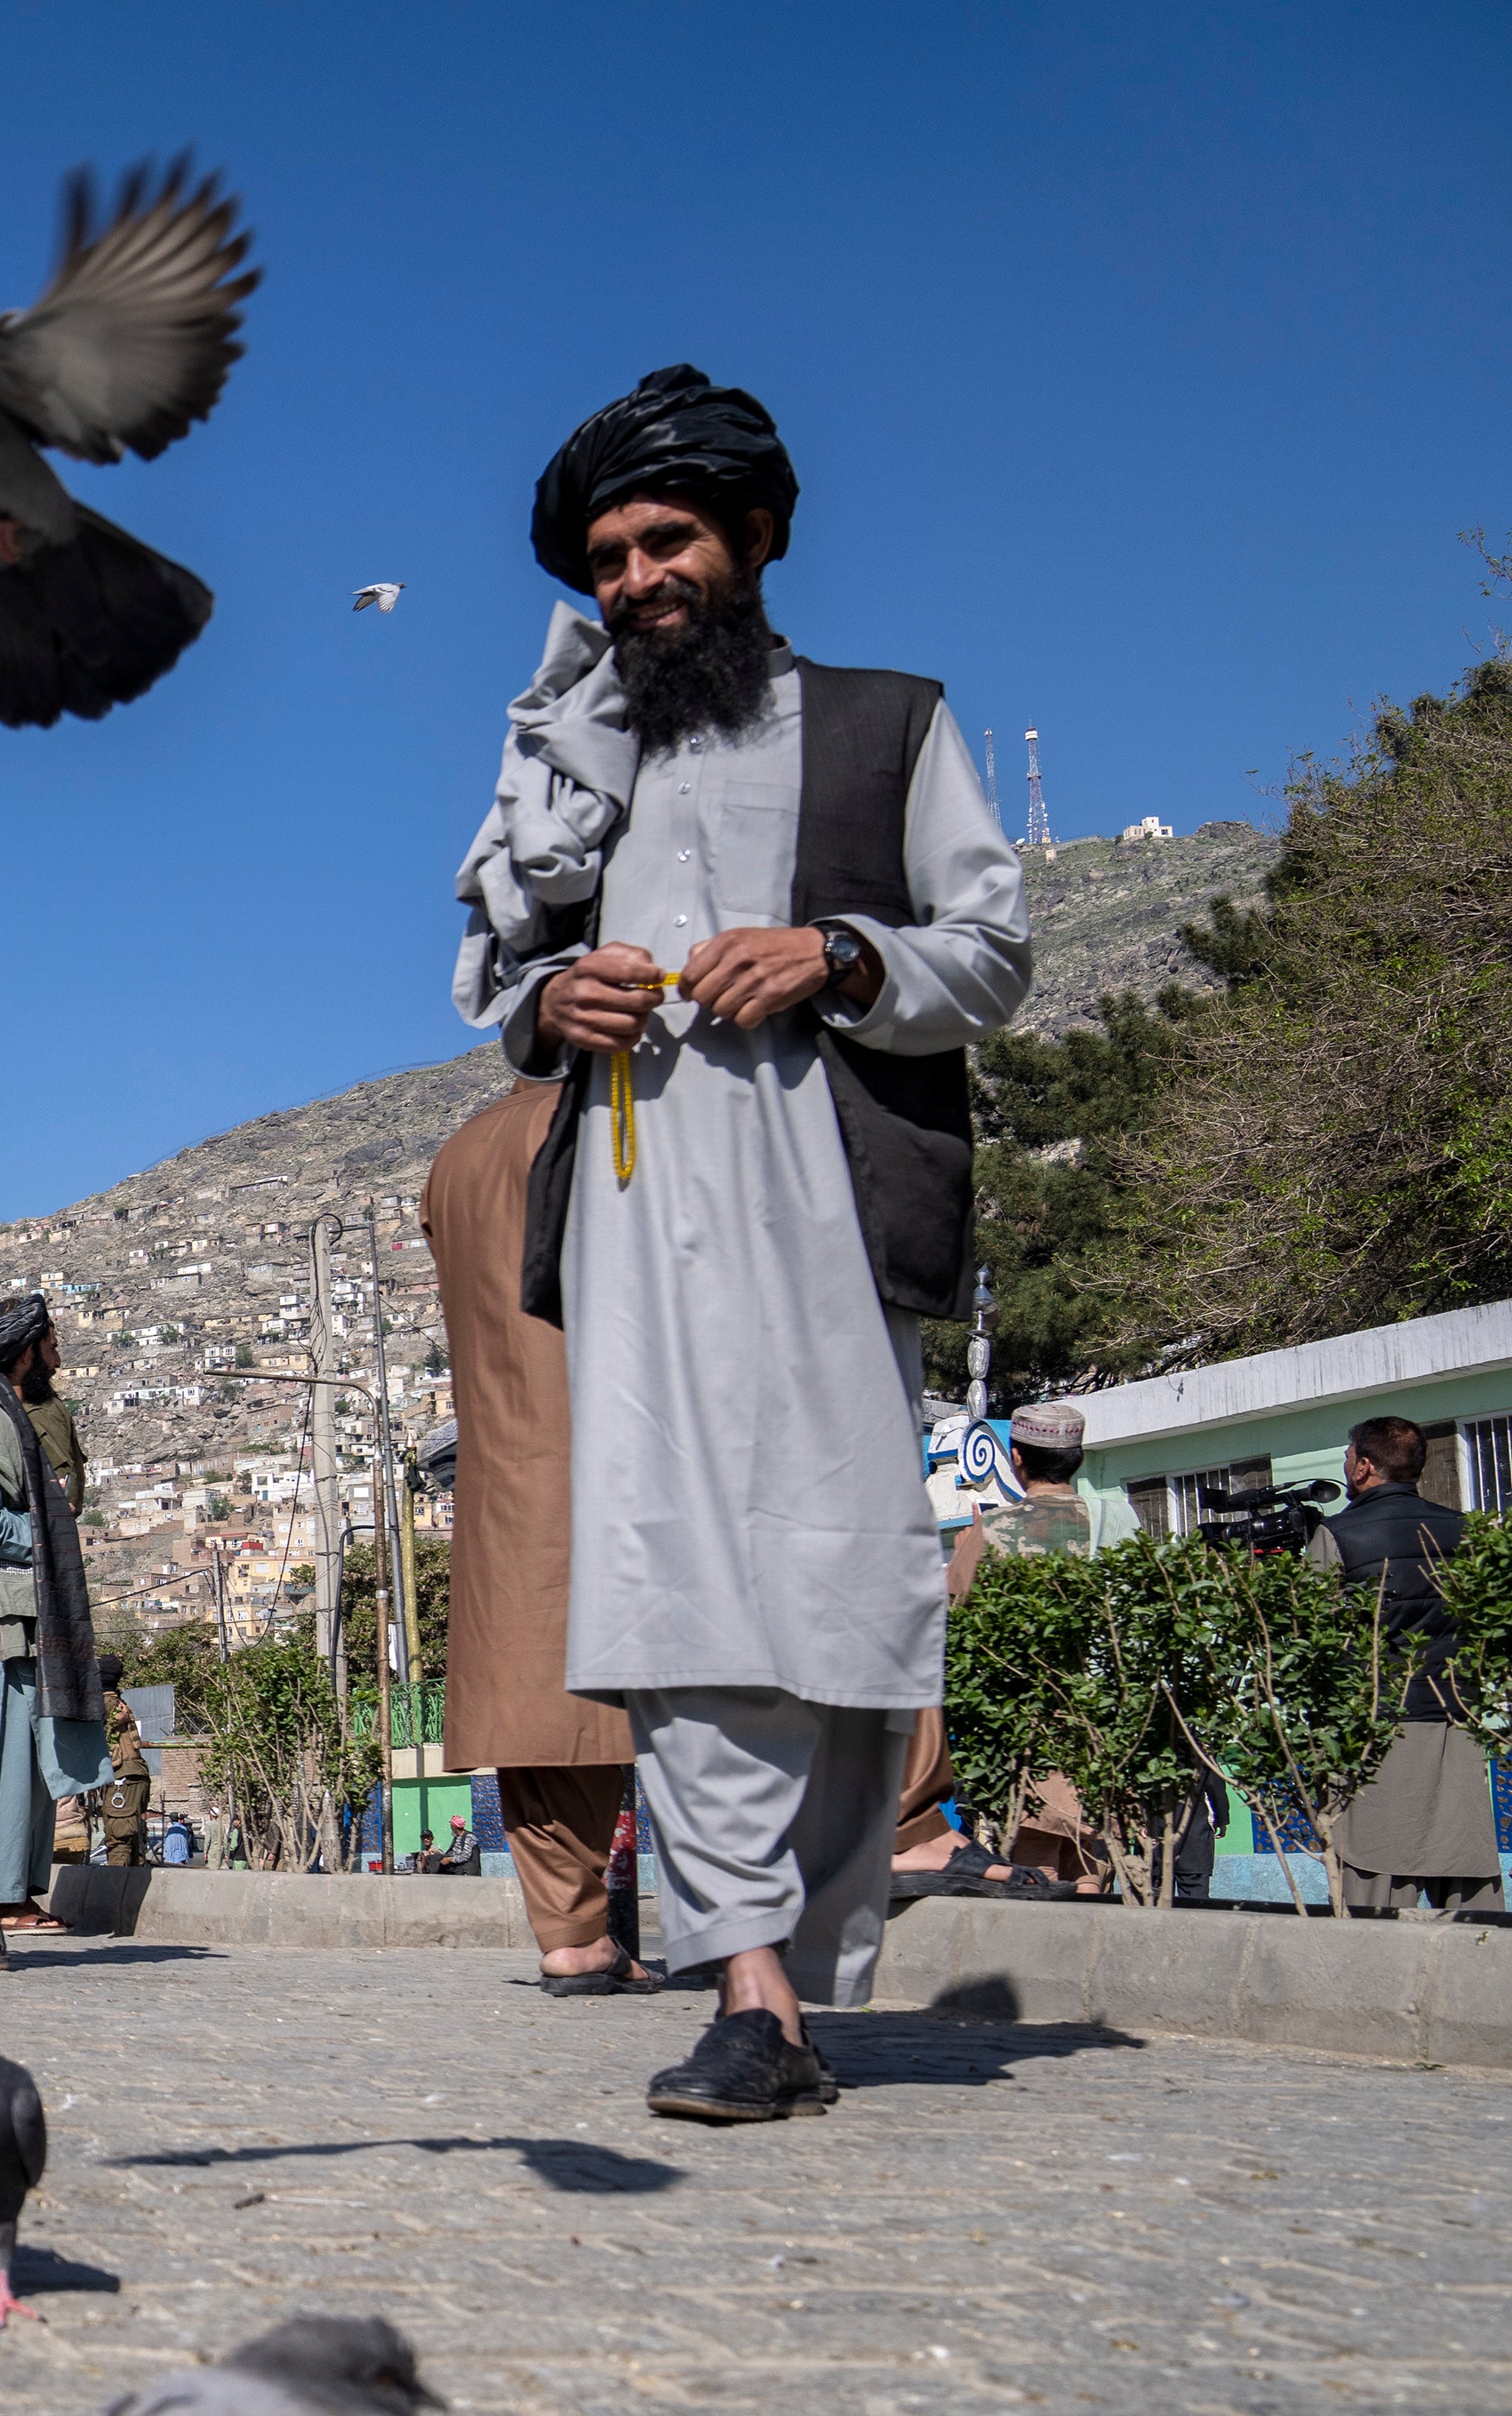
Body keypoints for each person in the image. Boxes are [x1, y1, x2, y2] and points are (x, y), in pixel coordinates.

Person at [453, 364, 1028, 2125]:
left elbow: (991, 948)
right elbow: (488, 982)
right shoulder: (562, 763)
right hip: (634, 1214)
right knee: (677, 1594)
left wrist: (843, 958)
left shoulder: (883, 723)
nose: (634, 579)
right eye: (609, 555)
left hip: (828, 1209)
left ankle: (804, 1968)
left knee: (844, 1594)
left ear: (755, 534)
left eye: (665, 538)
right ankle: (749, 1991)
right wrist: (561, 993)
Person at [420, 1077, 641, 1994]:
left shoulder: (455, 1159)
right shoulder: (620, 1115)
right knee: (671, 1693)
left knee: (534, 1704)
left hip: (503, 1459)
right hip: (618, 1436)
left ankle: (571, 1935)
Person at [897, 1396, 1105, 1890]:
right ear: (1078, 1458)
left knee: (1037, 1857)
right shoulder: (1116, 1520)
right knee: (1091, 1857)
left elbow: (951, 1614)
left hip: (1030, 1718)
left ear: (1016, 1457)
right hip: (1105, 1718)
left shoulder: (995, 1531)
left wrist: (968, 1548)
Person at [1309, 1417, 1497, 1915]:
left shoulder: (1336, 1536)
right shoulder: (1468, 1533)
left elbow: (1313, 1644)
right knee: (1468, 1879)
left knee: (1374, 1881)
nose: (1345, 1465)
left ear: (1365, 1467)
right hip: (1458, 1725)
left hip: (1377, 1733)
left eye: (1348, 1456)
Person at [0, 1298, 105, 1935]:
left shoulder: (24, 1415)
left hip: (30, 1617)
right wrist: (46, 1530)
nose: (58, 1349)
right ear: (25, 1349)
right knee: (4, 1771)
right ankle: (0, 1899)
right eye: (49, 1338)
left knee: (33, 1769)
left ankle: (17, 1893)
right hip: (1, 1621)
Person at [96, 1659, 152, 1864]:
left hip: (122, 1778)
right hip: (132, 1776)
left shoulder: (105, 1704)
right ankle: (132, 1892)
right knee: (132, 1840)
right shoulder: (115, 1701)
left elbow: (95, 1737)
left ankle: (116, 1893)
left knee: (119, 1840)